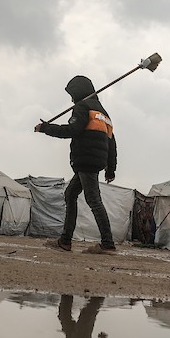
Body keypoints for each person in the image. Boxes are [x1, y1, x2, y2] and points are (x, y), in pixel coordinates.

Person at [34, 75, 119, 254]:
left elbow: (71, 130)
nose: (71, 99)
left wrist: (46, 128)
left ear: (79, 92)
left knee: (93, 200)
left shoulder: (82, 107)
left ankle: (107, 244)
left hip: (85, 160)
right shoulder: (103, 114)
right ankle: (65, 241)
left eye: (72, 94)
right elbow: (112, 143)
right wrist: (110, 169)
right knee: (70, 194)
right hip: (95, 161)